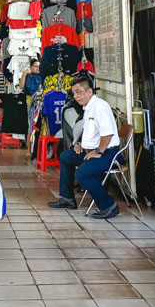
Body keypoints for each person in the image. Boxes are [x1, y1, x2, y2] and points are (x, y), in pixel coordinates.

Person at [47, 75, 121, 219]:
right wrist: (81, 145)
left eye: (79, 92)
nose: (75, 96)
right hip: (92, 150)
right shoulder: (88, 108)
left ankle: (109, 206)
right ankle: (68, 198)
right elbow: (91, 133)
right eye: (74, 93)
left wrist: (98, 151)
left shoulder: (100, 107)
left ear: (89, 92)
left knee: (82, 173)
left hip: (108, 153)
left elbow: (108, 134)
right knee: (66, 157)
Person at [19, 60, 42, 137]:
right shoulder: (28, 76)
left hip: (41, 102)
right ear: (30, 67)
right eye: (35, 66)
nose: (37, 69)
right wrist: (24, 75)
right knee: (31, 124)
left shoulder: (43, 76)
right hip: (31, 102)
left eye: (39, 67)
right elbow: (21, 86)